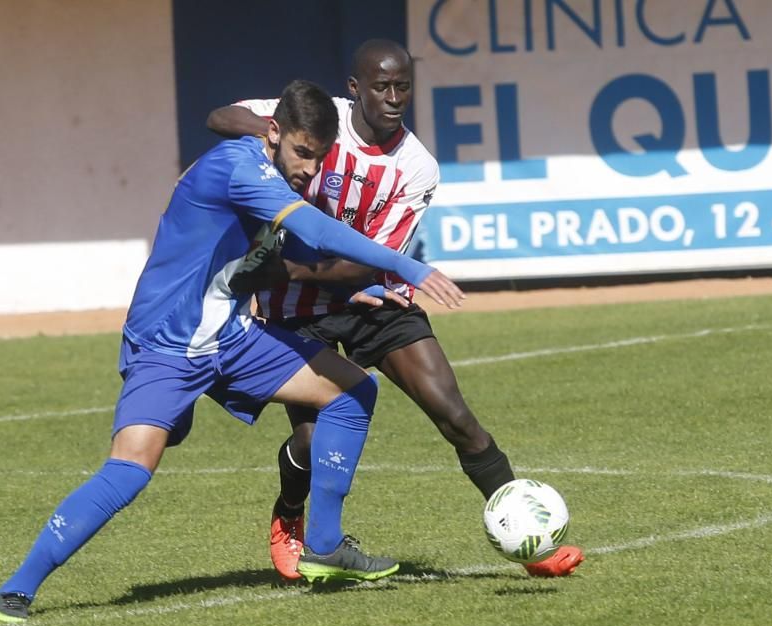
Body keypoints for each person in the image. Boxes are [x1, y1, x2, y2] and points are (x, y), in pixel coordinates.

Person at [0, 79, 466, 623]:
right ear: (274, 132)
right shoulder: (238, 167)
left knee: (353, 390)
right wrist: (409, 266)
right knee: (131, 469)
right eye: (303, 152)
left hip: (231, 337)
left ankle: (324, 546)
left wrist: (351, 287)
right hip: (169, 343)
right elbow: (316, 229)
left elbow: (294, 250)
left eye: (320, 157)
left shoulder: (274, 176)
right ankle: (16, 591)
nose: (309, 168)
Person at [207, 39, 584, 580]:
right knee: (312, 441)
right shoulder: (320, 118)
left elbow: (366, 266)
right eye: (380, 87)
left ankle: (531, 542)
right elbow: (221, 116)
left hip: (370, 299)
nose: (393, 97)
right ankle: (290, 515)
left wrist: (277, 268)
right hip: (295, 307)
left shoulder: (417, 167)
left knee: (455, 414)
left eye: (402, 86)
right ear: (354, 89)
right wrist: (273, 134)